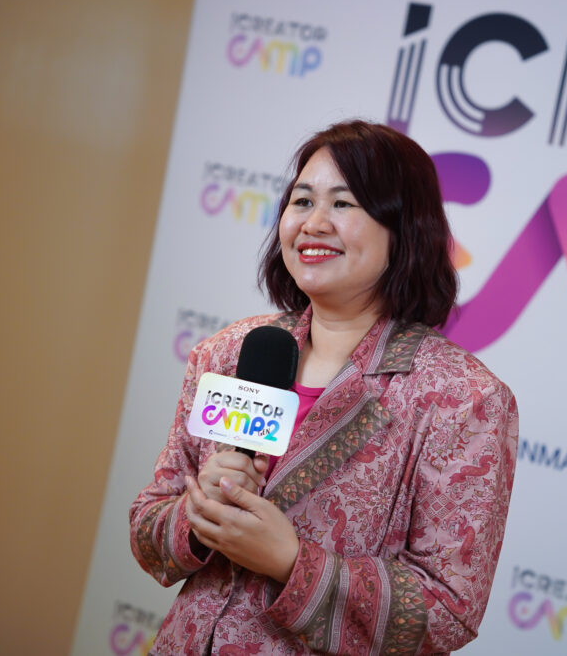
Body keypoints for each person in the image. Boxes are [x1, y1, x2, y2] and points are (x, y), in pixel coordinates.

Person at [130, 120, 519, 655]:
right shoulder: (227, 353)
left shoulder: (464, 398)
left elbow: (447, 612)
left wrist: (291, 562)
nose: (313, 223)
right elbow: (148, 531)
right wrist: (195, 518)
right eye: (302, 201)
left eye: (342, 204)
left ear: (404, 229)